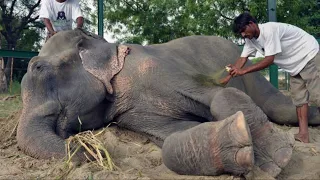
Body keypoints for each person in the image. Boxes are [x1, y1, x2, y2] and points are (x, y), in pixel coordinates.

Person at [220, 12, 320, 143]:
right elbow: (242, 58)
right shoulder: (251, 40)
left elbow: (269, 60)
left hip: (308, 55)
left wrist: (243, 71)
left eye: (243, 30)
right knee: (299, 100)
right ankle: (303, 135)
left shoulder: (270, 30)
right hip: (294, 65)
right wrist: (229, 76)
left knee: (318, 95)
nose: (243, 35)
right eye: (241, 33)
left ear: (251, 23)